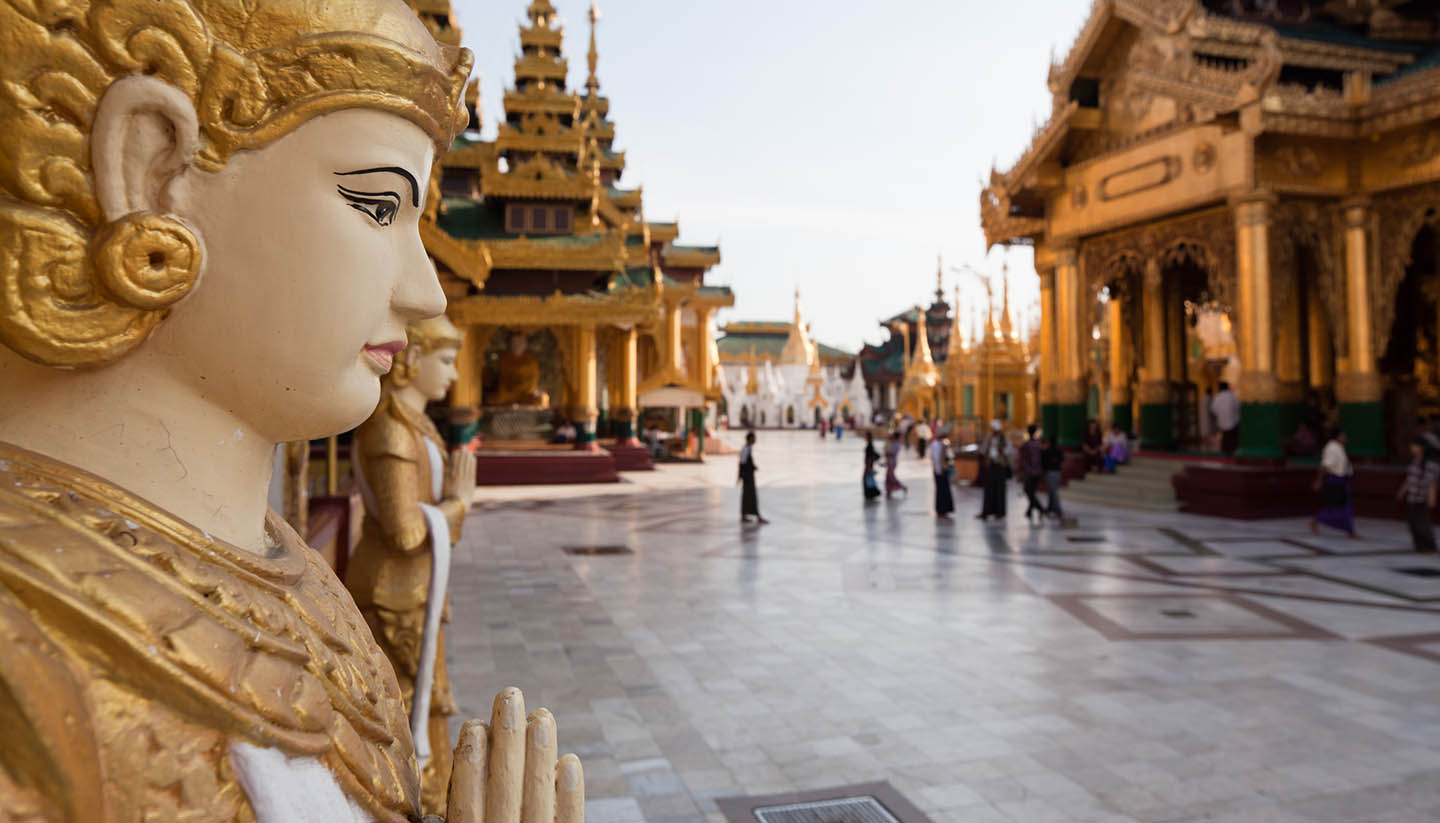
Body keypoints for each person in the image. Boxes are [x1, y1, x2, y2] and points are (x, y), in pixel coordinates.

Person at [1396, 434, 1439, 553]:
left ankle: (1429, 545)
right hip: (1412, 496)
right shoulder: (1415, 461)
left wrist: (1431, 498)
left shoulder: (1431, 464)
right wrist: (1402, 491)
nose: (1412, 447)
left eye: (1414, 445)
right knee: (1412, 522)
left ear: (1422, 447)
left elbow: (1432, 483)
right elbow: (1410, 479)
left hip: (1422, 498)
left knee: (1423, 523)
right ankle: (1418, 544)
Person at [1312, 427, 1357, 537]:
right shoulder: (1331, 448)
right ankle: (1317, 520)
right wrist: (1319, 480)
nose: (1345, 437)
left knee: (1344, 507)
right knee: (1339, 507)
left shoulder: (1339, 447)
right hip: (1335, 480)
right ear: (1338, 436)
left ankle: (1349, 531)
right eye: (1343, 435)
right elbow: (1325, 466)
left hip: (1343, 480)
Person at [977, 419, 1009, 520]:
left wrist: (1002, 450)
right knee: (989, 489)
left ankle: (1000, 512)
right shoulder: (989, 437)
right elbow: (983, 450)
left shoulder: (1004, 438)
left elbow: (1008, 451)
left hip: (1000, 465)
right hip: (990, 465)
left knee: (1000, 490)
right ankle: (986, 511)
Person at [739, 431, 768, 524]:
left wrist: (753, 467)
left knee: (748, 496)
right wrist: (741, 475)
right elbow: (742, 463)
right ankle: (756, 516)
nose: (755, 440)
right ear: (750, 439)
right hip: (747, 476)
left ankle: (746, 515)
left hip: (748, 475)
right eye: (754, 438)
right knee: (751, 496)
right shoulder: (746, 449)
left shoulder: (748, 448)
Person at [1018, 424, 1045, 521]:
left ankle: (1040, 509)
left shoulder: (1026, 445)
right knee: (1031, 491)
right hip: (1037, 471)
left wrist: (1021, 470)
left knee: (1028, 491)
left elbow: (1023, 460)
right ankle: (1029, 511)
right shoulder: (1038, 444)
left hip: (1030, 472)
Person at [930, 429, 955, 518]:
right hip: (939, 470)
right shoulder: (937, 444)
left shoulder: (942, 444)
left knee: (944, 491)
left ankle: (944, 510)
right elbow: (935, 457)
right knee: (941, 491)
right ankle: (940, 510)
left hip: (941, 470)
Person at [1212, 381, 1240, 455]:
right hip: (1234, 421)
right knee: (1232, 439)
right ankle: (1233, 452)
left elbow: (1214, 409)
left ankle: (1225, 453)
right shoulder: (1232, 396)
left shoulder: (1217, 397)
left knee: (1225, 438)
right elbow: (1238, 407)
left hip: (1222, 422)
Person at [1042, 434, 1066, 520]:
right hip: (1057, 473)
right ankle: (1050, 508)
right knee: (1052, 491)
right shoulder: (1059, 450)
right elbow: (1062, 460)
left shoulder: (1047, 451)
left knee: (1053, 491)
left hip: (1050, 473)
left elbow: (1044, 463)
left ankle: (1059, 510)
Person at [885, 431, 908, 498]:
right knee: (888, 477)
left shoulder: (896, 444)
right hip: (890, 461)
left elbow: (892, 453)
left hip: (892, 461)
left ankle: (902, 487)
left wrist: (887, 454)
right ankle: (889, 490)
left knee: (891, 477)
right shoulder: (894, 443)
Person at [863, 431, 883, 501]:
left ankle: (871, 494)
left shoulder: (869, 446)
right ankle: (872, 493)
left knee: (867, 480)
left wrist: (868, 466)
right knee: (869, 479)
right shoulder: (870, 445)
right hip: (869, 465)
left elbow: (869, 457)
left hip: (869, 465)